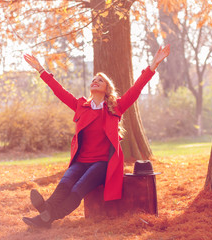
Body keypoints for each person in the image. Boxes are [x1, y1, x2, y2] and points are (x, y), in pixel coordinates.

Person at [22, 45, 170, 228]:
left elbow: (137, 88)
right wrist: (41, 69)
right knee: (65, 183)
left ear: (107, 88)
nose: (95, 81)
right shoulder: (80, 105)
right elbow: (58, 90)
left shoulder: (116, 107)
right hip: (81, 161)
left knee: (78, 189)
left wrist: (153, 65)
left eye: (100, 80)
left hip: (102, 164)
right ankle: (46, 217)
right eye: (93, 79)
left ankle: (47, 214)